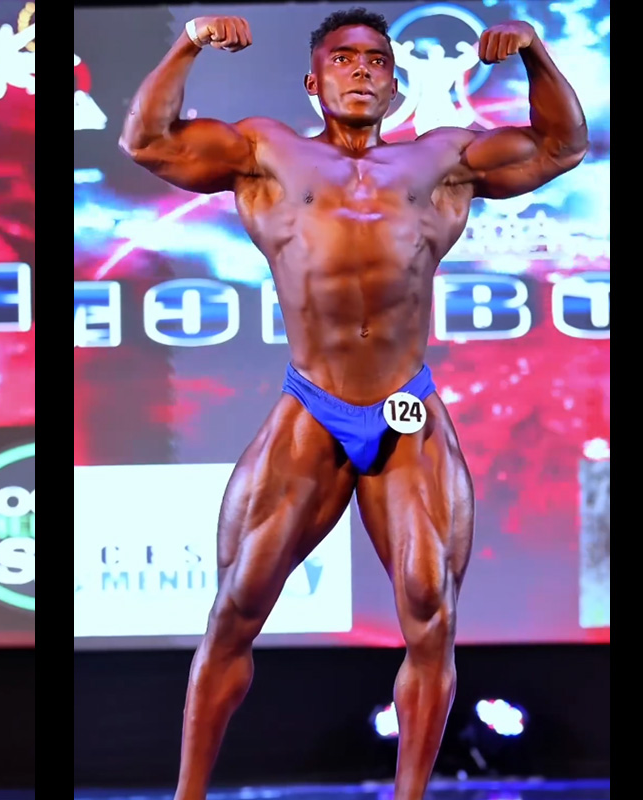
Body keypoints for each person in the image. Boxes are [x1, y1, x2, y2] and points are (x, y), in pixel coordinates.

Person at [119, 7, 587, 799]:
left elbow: (559, 146)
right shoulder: (267, 151)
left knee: (430, 606)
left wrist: (536, 55)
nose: (362, 69)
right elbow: (149, 141)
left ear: (396, 86)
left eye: (376, 61)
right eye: (343, 59)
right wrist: (189, 42)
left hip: (406, 406)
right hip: (313, 402)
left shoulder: (441, 159)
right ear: (314, 81)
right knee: (236, 606)